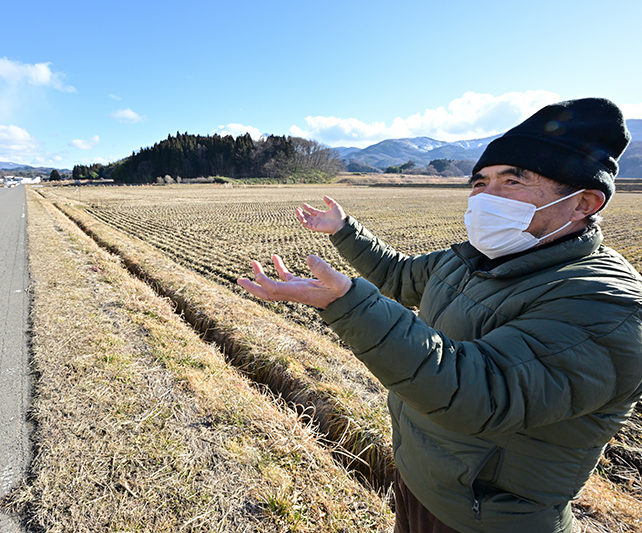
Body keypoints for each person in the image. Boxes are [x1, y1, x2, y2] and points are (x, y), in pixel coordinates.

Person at [237, 97, 642, 533]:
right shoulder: (474, 257)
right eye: (479, 182)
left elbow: (480, 392)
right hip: (420, 482)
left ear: (584, 203)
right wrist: (343, 230)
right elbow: (399, 275)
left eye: (513, 181)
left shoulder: (606, 305)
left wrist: (345, 302)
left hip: (487, 519)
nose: (486, 197)